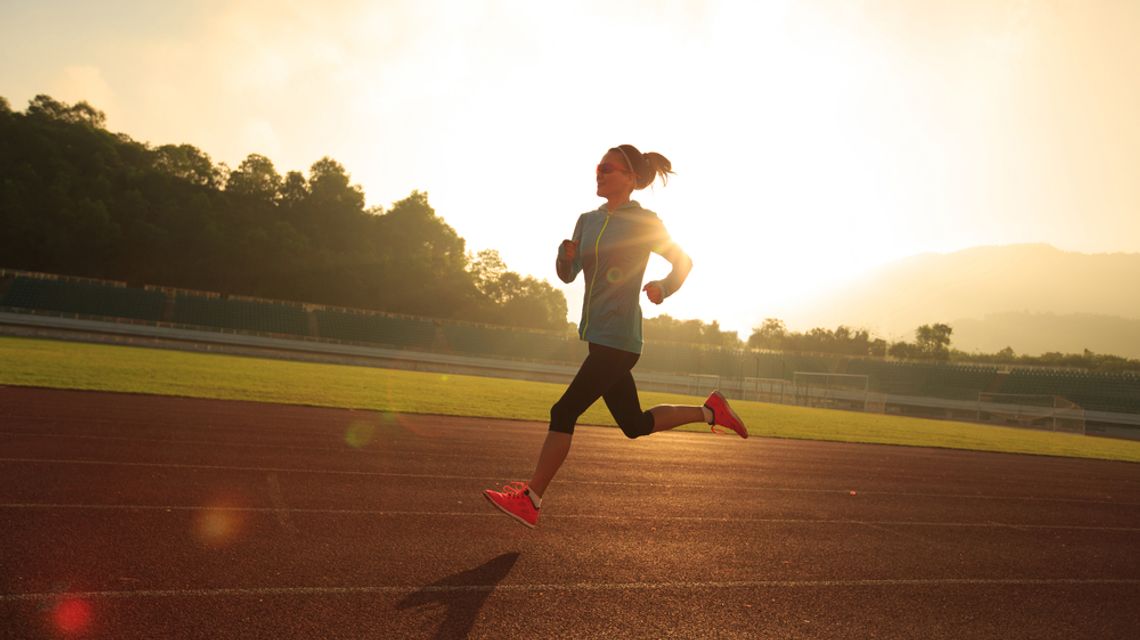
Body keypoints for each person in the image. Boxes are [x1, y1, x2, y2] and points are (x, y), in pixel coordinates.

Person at [482, 144, 748, 529]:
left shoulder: (645, 222)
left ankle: (532, 498)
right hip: (598, 337)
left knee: (563, 411)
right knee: (633, 424)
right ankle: (711, 411)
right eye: (598, 168)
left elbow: (683, 261)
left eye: (607, 169)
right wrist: (564, 256)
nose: (599, 173)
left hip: (620, 339)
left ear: (630, 178)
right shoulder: (586, 221)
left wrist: (664, 286)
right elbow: (567, 276)